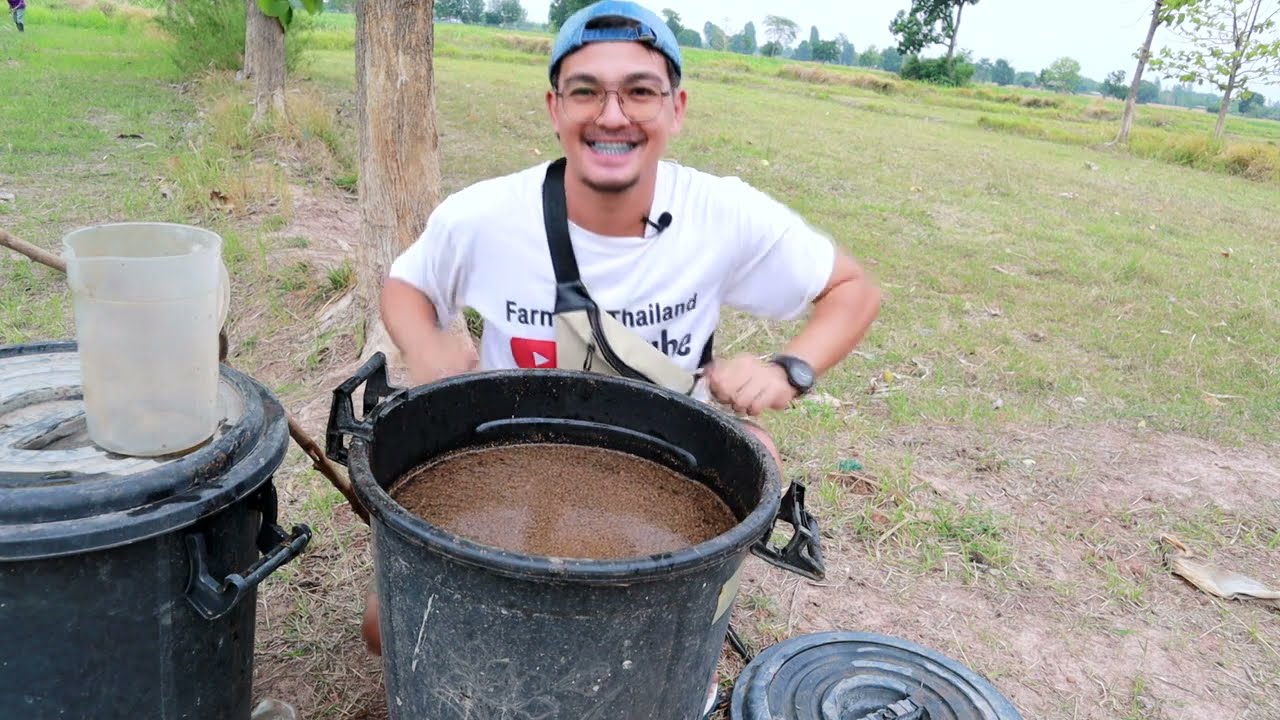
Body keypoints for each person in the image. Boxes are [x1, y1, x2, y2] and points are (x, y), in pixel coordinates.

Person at [368, 0, 881, 715]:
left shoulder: (722, 215)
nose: (613, 115)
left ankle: (680, 639)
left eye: (639, 91)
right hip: (511, 449)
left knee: (755, 455)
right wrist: (426, 345)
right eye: (586, 91)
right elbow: (407, 285)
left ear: (677, 108)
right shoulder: (485, 216)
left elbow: (853, 288)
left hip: (665, 447)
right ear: (555, 107)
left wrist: (788, 368)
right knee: (380, 629)